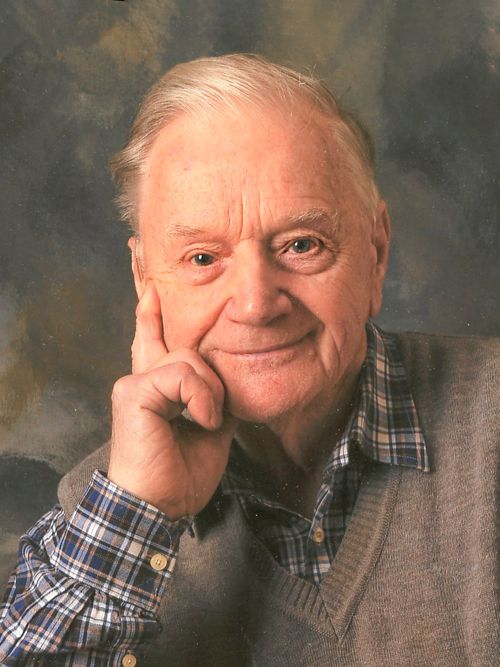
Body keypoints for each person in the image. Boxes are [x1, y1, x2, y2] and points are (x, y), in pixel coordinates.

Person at [0, 54, 498, 667]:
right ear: (144, 280)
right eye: (203, 259)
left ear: (376, 253)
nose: (257, 304)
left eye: (302, 244)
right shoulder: (104, 507)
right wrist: (139, 511)